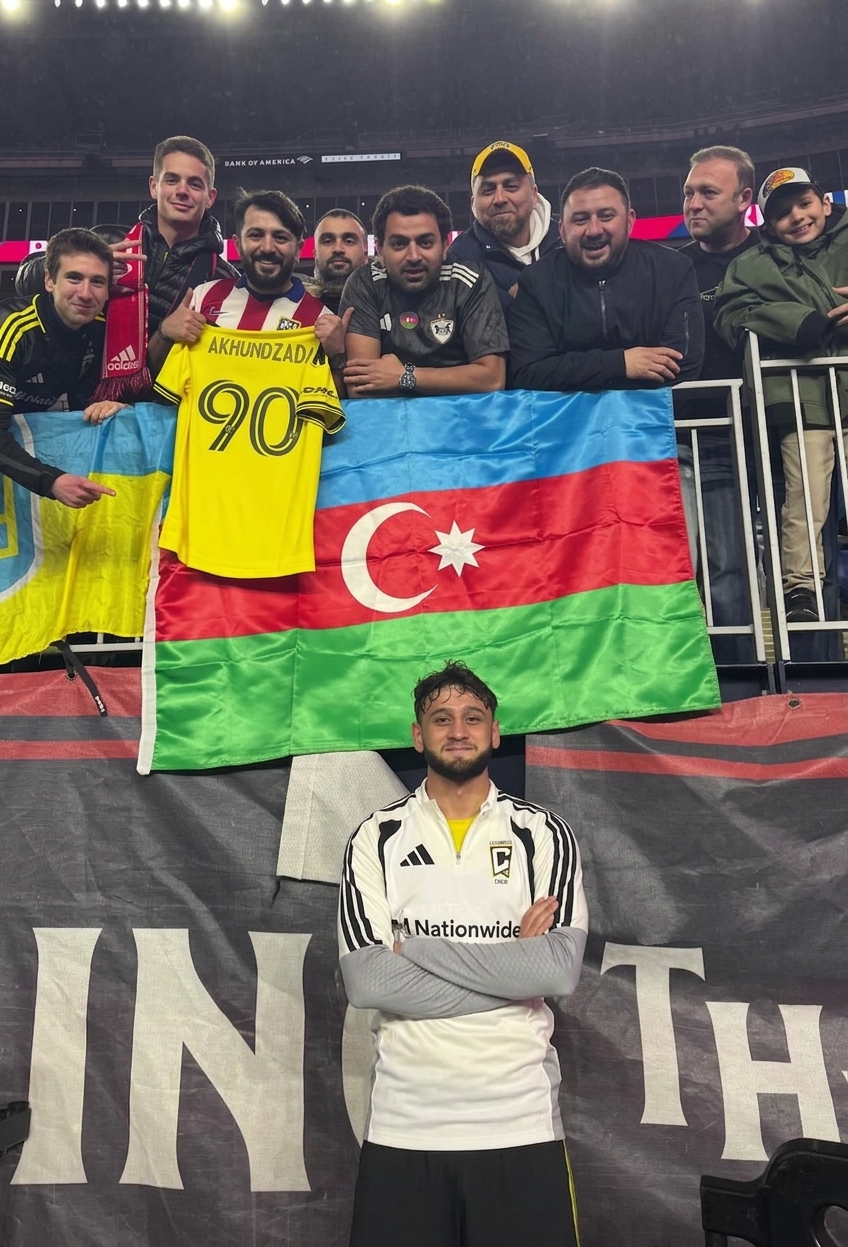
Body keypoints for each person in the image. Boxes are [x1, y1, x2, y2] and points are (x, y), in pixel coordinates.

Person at [339, 661, 587, 1247]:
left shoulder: (544, 834)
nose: (458, 730)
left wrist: (417, 950)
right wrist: (514, 967)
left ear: (495, 733)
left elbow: (558, 970)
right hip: (405, 1125)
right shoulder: (374, 837)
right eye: (441, 719)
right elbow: (369, 983)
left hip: (520, 1123)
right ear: (417, 735)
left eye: (473, 718)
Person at [714, 166, 848, 623]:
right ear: (767, 224)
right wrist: (802, 323)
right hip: (801, 396)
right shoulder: (752, 264)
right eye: (783, 212)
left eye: (804, 204)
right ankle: (800, 590)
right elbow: (731, 313)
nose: (797, 217)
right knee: (804, 496)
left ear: (825, 203)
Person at [508, 165, 704, 391]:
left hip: (653, 414)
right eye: (580, 219)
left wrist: (574, 375)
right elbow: (528, 373)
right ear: (562, 230)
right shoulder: (536, 282)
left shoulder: (673, 270)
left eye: (606, 216)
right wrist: (619, 364)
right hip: (570, 416)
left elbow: (683, 368)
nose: (594, 230)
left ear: (629, 221)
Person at [679, 145, 760, 663]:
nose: (693, 203)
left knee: (803, 566)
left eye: (709, 192)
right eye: (689, 192)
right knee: (721, 569)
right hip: (701, 438)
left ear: (744, 198)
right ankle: (735, 680)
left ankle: (810, 672)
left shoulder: (777, 254)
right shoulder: (673, 268)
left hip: (776, 433)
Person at [340, 184, 509, 398]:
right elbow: (361, 389)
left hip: (460, 416)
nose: (414, 256)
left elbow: (492, 378)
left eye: (426, 242)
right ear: (380, 250)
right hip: (388, 418)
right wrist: (457, 380)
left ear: (445, 246)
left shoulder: (470, 280)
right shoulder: (365, 283)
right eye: (399, 244)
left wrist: (405, 376)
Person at [0, 228, 126, 508]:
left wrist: (114, 404)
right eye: (74, 278)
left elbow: (90, 404)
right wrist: (51, 481)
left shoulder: (101, 330)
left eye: (97, 281)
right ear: (49, 281)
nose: (85, 293)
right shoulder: (12, 330)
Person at [189, 188, 349, 387]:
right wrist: (165, 334)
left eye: (280, 237)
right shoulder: (202, 297)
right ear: (238, 244)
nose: (267, 248)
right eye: (256, 235)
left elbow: (331, 400)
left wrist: (337, 355)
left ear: (298, 250)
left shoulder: (321, 320)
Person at [447, 140, 561, 310]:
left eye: (511, 186)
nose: (499, 199)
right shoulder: (460, 259)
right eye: (488, 190)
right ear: (473, 204)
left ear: (534, 194)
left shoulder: (566, 243)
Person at [307, 209, 368, 313]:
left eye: (349, 241)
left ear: (365, 254)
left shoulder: (387, 305)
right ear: (315, 254)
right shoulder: (293, 309)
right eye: (328, 241)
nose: (338, 249)